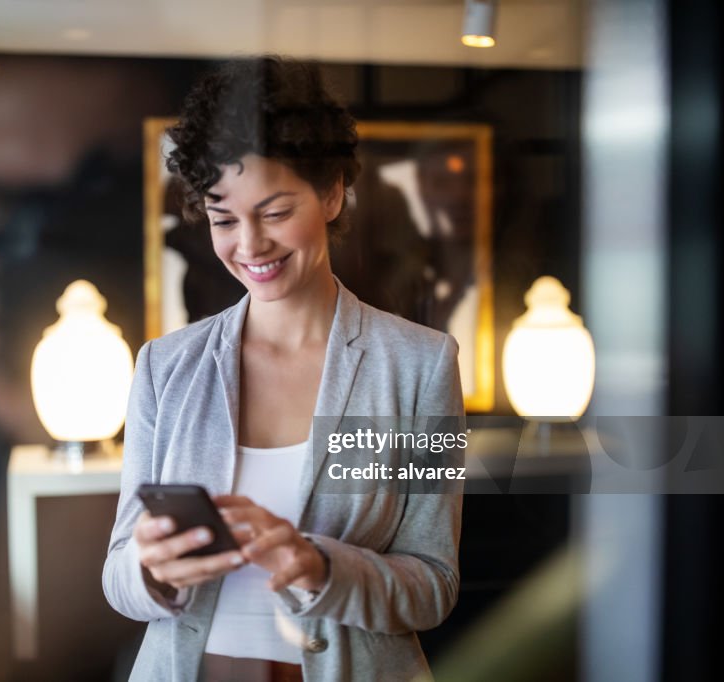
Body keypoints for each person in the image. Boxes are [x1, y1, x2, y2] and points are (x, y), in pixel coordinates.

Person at [103, 57, 464, 681]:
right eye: (223, 219)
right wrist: (151, 570)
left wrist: (321, 566)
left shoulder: (420, 365)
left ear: (330, 192)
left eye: (273, 212)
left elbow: (433, 584)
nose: (249, 245)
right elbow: (118, 576)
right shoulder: (165, 368)